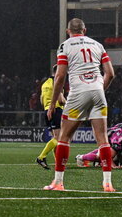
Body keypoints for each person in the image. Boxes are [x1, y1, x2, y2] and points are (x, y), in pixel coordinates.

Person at [44, 18, 116, 192]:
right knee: (102, 139)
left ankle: (58, 182)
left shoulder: (65, 46)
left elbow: (60, 76)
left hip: (78, 92)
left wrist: (53, 103)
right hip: (98, 92)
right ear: (85, 30)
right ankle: (107, 183)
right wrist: (99, 89)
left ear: (68, 31)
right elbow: (110, 74)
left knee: (64, 137)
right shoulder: (98, 45)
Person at [36, 65, 66, 169]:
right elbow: (61, 100)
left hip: (46, 111)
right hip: (56, 110)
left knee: (55, 139)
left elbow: (41, 100)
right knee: (59, 138)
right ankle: (41, 157)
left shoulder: (44, 84)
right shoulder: (57, 82)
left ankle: (58, 162)